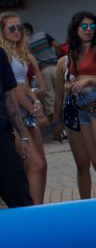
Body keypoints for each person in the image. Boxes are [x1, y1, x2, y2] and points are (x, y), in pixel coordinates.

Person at [52, 11, 96, 198]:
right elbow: (65, 86)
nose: (88, 30)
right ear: (76, 29)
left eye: (92, 26)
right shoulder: (73, 53)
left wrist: (90, 80)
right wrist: (72, 85)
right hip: (81, 108)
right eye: (84, 26)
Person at [1, 13, 49, 204]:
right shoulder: (3, 52)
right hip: (15, 112)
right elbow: (12, 90)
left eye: (19, 28)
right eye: (11, 28)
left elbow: (27, 86)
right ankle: (32, 212)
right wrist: (30, 106)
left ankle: (38, 207)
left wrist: (36, 105)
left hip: (27, 110)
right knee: (34, 165)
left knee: (41, 165)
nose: (17, 32)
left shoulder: (21, 54)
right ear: (2, 31)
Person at [0, 47, 34, 208]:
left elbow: (9, 97)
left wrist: (23, 136)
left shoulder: (0, 54)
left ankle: (28, 231)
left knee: (20, 197)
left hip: (1, 139)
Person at [23, 22, 59, 122]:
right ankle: (64, 123)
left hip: (43, 71)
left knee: (49, 98)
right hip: (56, 67)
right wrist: (57, 56)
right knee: (61, 94)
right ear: (32, 29)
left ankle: (55, 125)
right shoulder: (43, 34)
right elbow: (57, 45)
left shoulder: (24, 43)